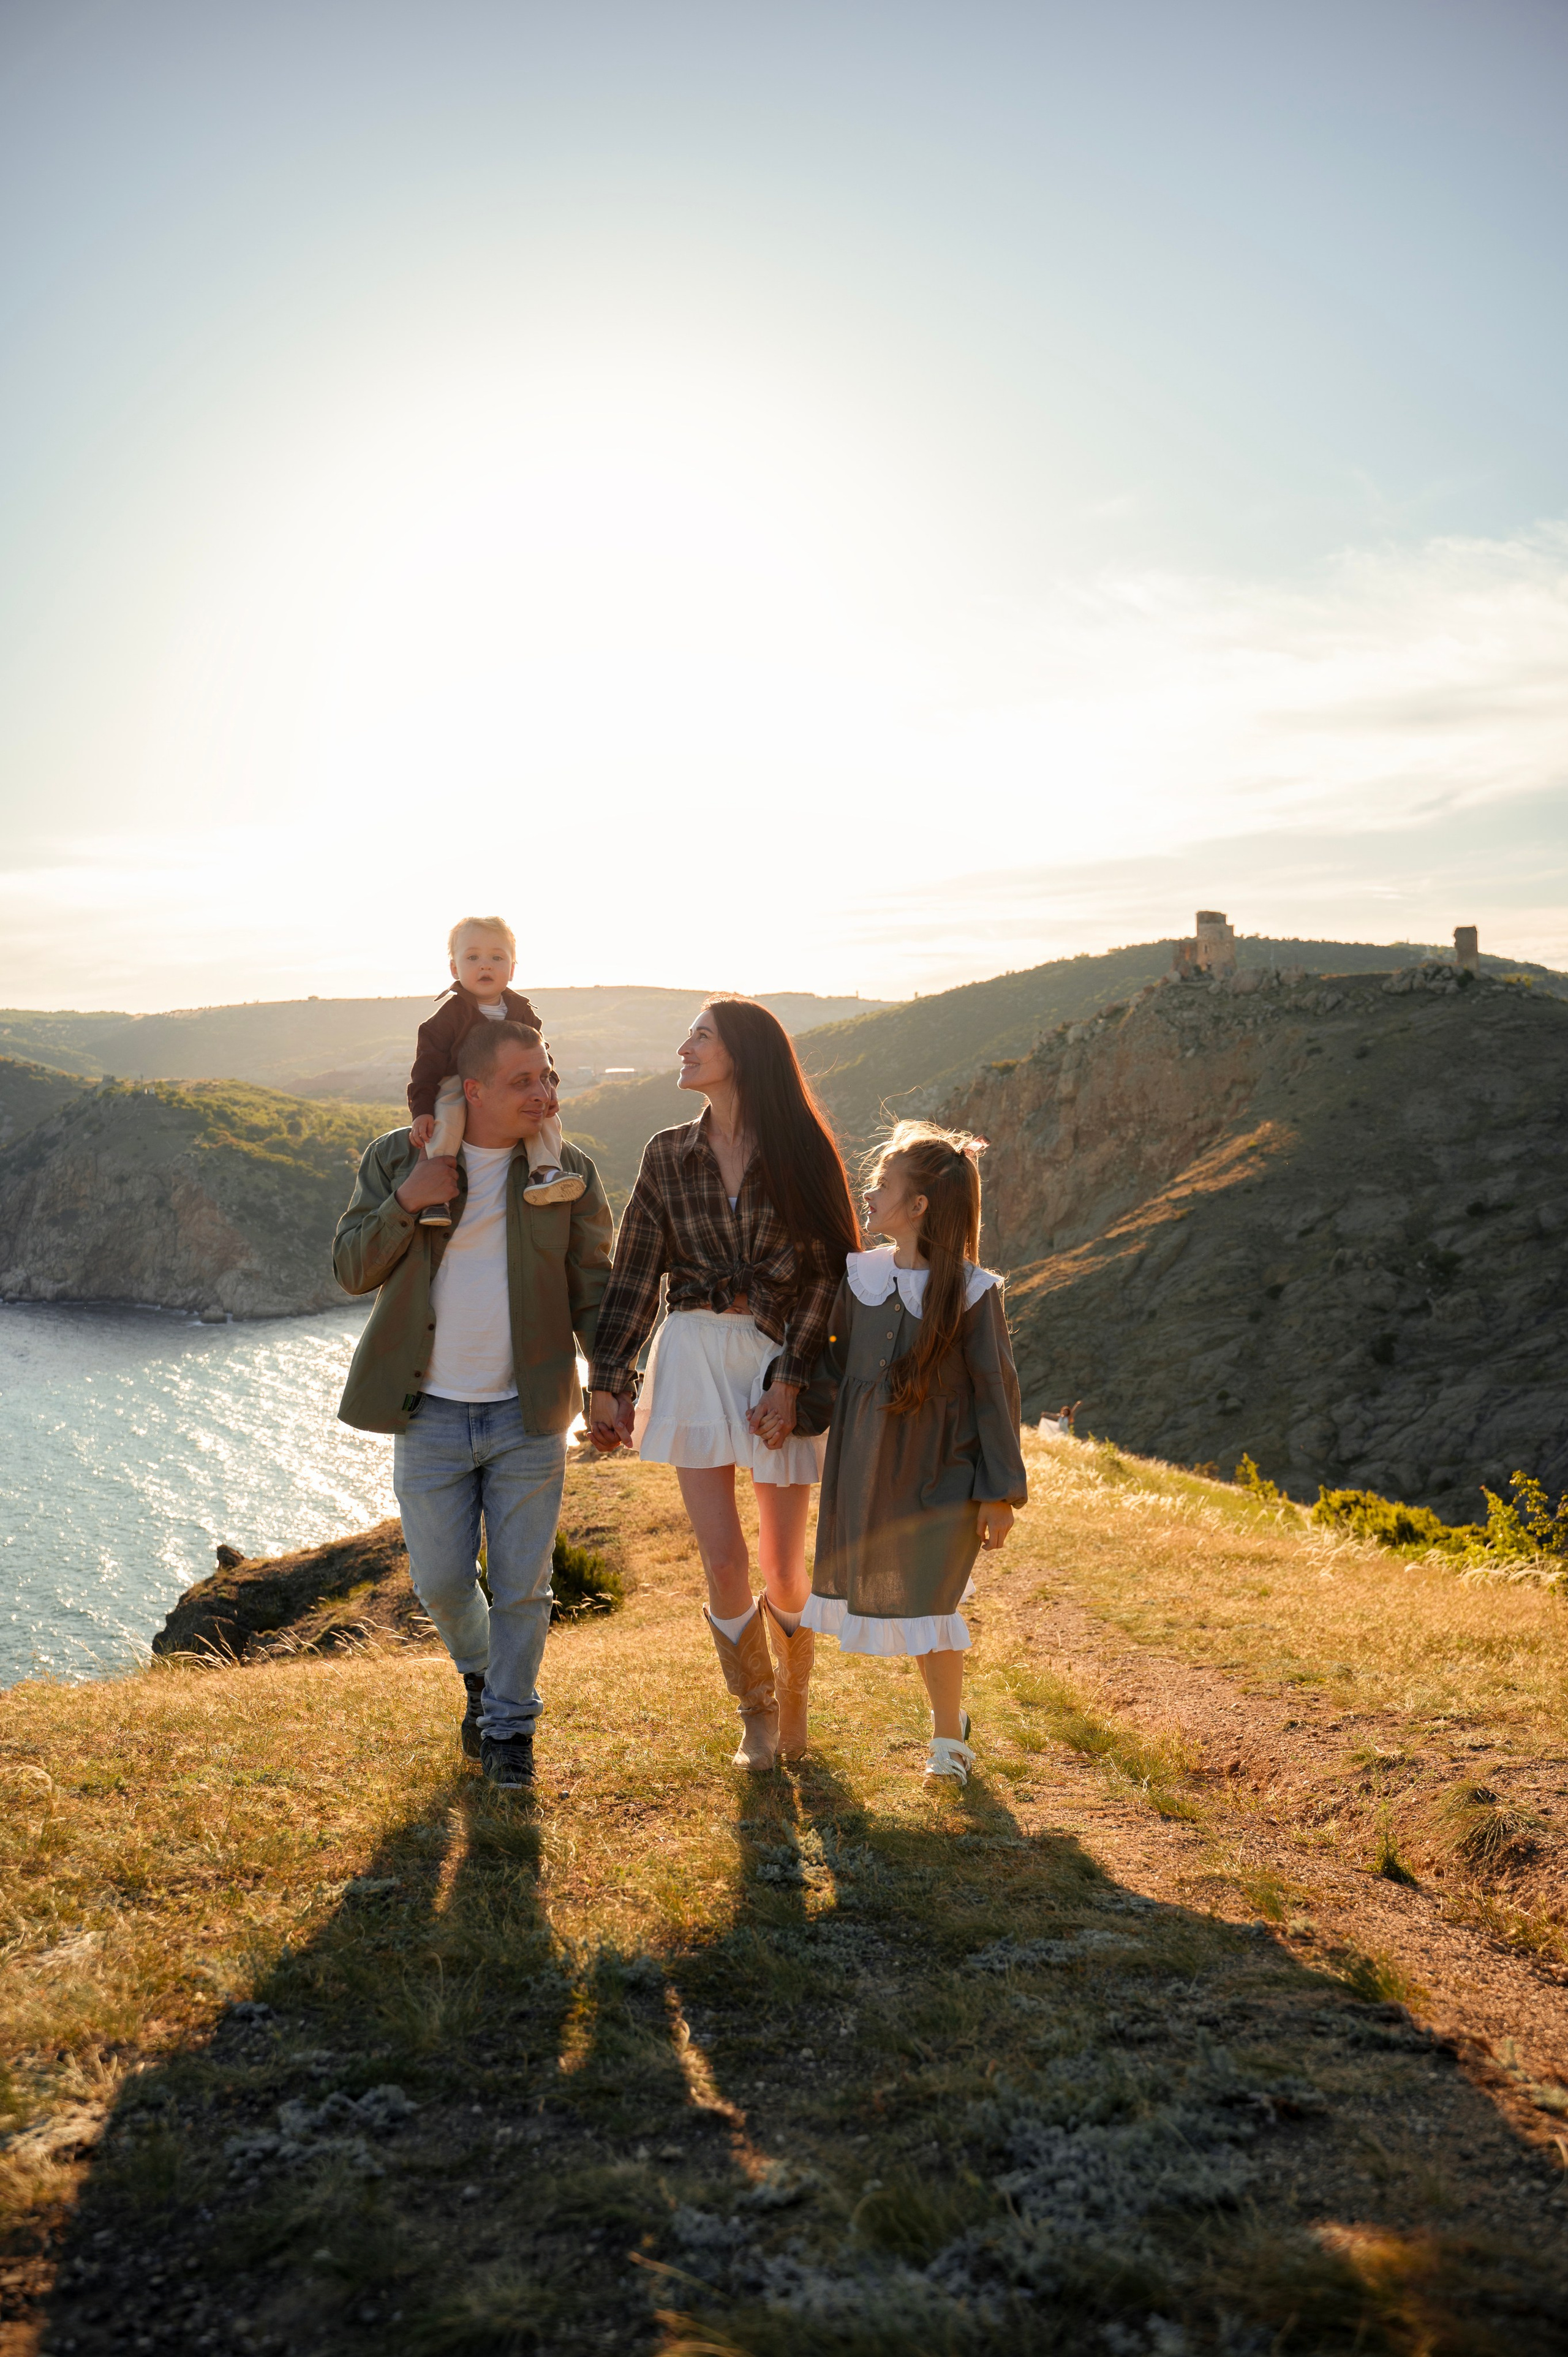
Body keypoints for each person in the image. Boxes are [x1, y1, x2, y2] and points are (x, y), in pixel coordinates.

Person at [334, 1020, 612, 1789]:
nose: (544, 1093)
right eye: (524, 1080)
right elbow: (351, 1268)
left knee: (524, 1587)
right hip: (427, 1411)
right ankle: (483, 1676)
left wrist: (612, 1383)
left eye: (548, 1076)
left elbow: (594, 1289)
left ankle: (510, 1731)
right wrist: (406, 1199)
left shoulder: (568, 1170)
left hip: (530, 1413)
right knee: (441, 1581)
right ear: (475, 1089)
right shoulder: (401, 1156)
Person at [587, 998, 859, 1770]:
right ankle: (757, 1713)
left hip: (778, 1359)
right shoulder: (666, 1153)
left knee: (783, 1564)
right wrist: (608, 1380)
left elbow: (828, 1273)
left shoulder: (801, 1148)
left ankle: (796, 1699)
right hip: (693, 1355)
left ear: (743, 1052)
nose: (684, 1046)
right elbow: (635, 1273)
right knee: (725, 1560)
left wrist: (791, 1380)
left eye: (700, 1035)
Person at [801, 1121, 1028, 1787]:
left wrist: (999, 1494)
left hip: (942, 1477)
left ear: (919, 1204)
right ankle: (950, 1722)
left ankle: (947, 1740)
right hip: (868, 1471)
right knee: (912, 1602)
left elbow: (995, 1393)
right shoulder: (861, 1276)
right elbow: (833, 1365)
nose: (868, 1194)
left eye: (882, 1184)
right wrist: (790, 1411)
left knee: (932, 1603)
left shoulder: (974, 1292)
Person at [406, 916, 582, 1226]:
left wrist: (549, 1086)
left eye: (497, 958)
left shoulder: (523, 1011)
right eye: (473, 957)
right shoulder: (445, 1019)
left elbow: (543, 1057)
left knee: (544, 1116)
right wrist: (421, 1111)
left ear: (512, 969)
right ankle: (437, 1194)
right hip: (459, 1080)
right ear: (455, 969)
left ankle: (544, 1171)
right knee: (447, 1116)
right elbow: (425, 1070)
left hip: (518, 1086)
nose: (485, 965)